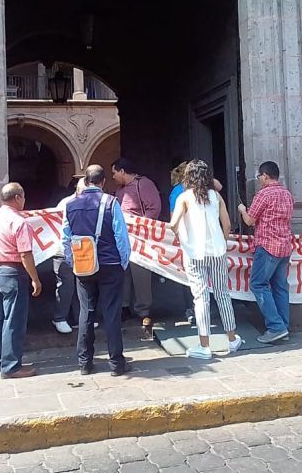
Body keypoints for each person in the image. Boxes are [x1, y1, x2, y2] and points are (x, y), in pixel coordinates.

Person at [63, 165, 132, 376]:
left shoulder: (71, 205)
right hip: (110, 264)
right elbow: (121, 236)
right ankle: (116, 363)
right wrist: (123, 262)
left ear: (86, 180)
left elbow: (66, 238)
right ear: (103, 182)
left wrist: (71, 261)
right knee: (111, 313)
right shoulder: (111, 203)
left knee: (86, 312)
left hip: (84, 265)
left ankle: (85, 363)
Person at [168, 160, 242, 359]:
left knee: (200, 298)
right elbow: (227, 224)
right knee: (222, 294)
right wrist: (221, 241)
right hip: (217, 251)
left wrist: (182, 240)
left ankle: (204, 345)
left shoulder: (184, 198)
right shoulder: (216, 196)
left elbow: (173, 224)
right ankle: (232, 338)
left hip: (194, 253)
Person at [0, 182, 42, 378]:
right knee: (13, 320)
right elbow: (25, 254)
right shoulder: (19, 222)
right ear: (17, 198)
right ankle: (11, 366)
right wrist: (35, 279)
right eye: (23, 197)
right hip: (12, 272)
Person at [238, 161, 294, 344]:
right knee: (280, 287)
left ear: (265, 176)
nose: (259, 179)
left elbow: (249, 221)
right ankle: (283, 326)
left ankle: (276, 327)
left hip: (268, 246)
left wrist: (241, 209)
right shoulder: (287, 194)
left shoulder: (263, 194)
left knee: (258, 284)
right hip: (284, 246)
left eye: (259, 176)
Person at [111, 157, 161, 334]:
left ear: (122, 171)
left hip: (140, 239)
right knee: (123, 273)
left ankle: (143, 310)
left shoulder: (144, 185)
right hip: (122, 239)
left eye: (114, 172)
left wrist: (140, 227)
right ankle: (124, 306)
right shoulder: (120, 190)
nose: (113, 176)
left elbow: (153, 208)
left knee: (141, 274)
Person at [52, 177, 86, 333]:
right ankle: (59, 317)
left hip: (81, 250)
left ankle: (80, 318)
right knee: (66, 286)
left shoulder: (88, 203)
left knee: (82, 284)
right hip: (63, 250)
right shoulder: (65, 203)